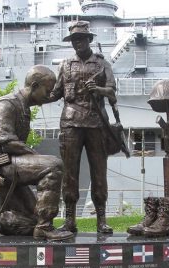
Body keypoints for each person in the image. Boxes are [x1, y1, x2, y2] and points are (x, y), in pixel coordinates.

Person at [0, 65, 73, 241]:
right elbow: (6, 140)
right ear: (34, 85)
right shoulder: (8, 104)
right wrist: (34, 155)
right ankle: (44, 227)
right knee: (54, 166)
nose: (48, 96)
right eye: (46, 91)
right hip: (4, 164)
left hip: (12, 162)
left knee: (32, 219)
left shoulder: (23, 106)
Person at [50, 21, 117, 234]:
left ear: (89, 39)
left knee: (99, 172)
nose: (77, 43)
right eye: (73, 40)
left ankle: (101, 220)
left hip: (96, 123)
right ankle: (70, 220)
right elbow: (55, 92)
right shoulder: (65, 64)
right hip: (70, 123)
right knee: (69, 173)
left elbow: (113, 93)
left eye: (81, 39)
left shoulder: (102, 64)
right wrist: (29, 97)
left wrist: (97, 88)